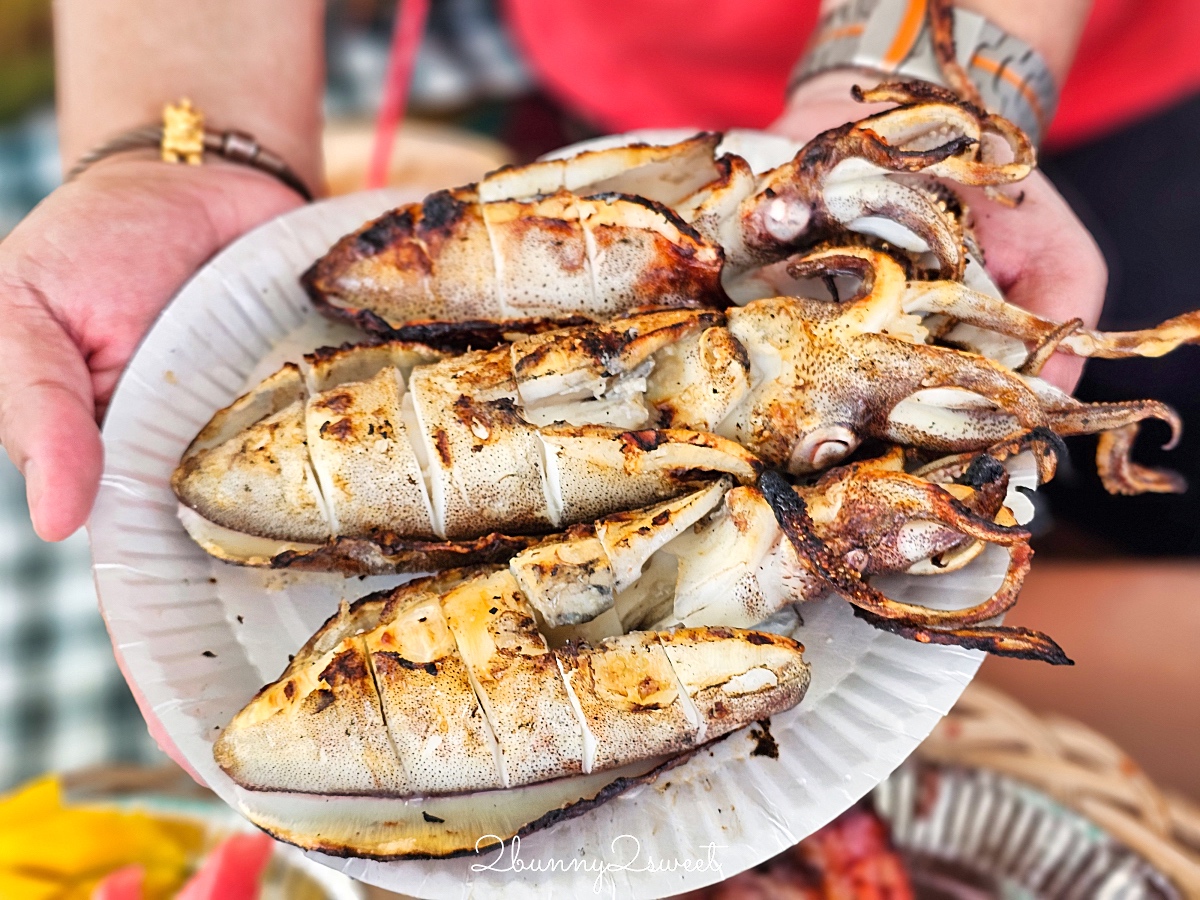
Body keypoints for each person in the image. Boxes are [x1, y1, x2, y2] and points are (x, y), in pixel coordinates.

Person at [2, 0, 1197, 546]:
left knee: (1086, 428)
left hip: (1078, 77)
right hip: (628, 71)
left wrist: (930, 84)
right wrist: (192, 139)